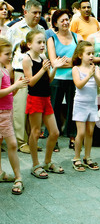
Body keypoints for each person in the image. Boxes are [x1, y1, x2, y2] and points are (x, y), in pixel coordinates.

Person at [22, 30, 66, 179]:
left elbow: (49, 80)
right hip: (34, 98)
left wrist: (55, 68)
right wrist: (43, 68)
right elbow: (31, 82)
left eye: (43, 42)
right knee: (35, 132)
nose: (42, 45)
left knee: (54, 132)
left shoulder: (43, 57)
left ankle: (47, 162)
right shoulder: (27, 59)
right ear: (29, 44)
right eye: (39, 42)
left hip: (46, 98)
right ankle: (35, 164)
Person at [6, 0, 45, 153]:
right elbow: (7, 52)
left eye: (39, 13)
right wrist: (8, 72)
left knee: (34, 109)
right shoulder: (14, 29)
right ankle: (21, 142)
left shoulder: (42, 29)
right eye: (34, 12)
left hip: (38, 73)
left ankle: (32, 140)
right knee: (20, 109)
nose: (37, 16)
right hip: (20, 74)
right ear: (25, 12)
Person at [47, 9, 83, 151]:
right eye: (62, 20)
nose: (65, 22)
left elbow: (79, 59)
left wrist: (66, 61)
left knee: (73, 108)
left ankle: (73, 137)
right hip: (56, 78)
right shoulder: (52, 39)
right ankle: (54, 138)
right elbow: (53, 61)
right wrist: (70, 61)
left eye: (67, 19)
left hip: (73, 78)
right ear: (55, 23)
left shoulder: (76, 37)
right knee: (54, 109)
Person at [0, 38, 29, 195]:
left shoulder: (4, 70)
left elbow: (8, 94)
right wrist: (15, 86)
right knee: (12, 144)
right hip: (2, 114)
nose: (10, 56)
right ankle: (18, 176)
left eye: (11, 53)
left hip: (5, 112)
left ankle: (1, 173)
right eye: (7, 54)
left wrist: (16, 87)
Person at [71, 41, 100, 172]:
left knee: (90, 132)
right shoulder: (76, 69)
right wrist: (89, 75)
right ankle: (76, 157)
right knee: (81, 132)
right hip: (80, 104)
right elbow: (78, 85)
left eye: (92, 53)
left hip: (92, 103)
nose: (91, 56)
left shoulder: (96, 69)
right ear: (80, 55)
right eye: (88, 53)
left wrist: (94, 74)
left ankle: (87, 157)